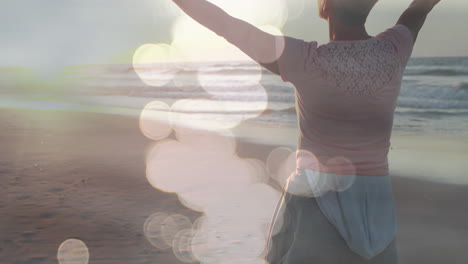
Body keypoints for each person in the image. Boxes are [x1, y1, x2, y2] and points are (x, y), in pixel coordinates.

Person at [171, 0, 441, 263]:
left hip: (317, 200)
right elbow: (420, 7)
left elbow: (226, 25)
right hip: (376, 206)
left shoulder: (303, 59)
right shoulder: (394, 49)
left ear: (326, 6)